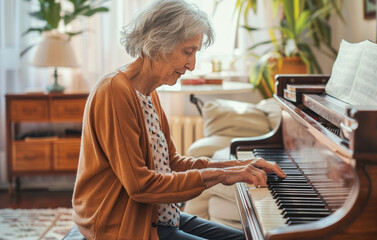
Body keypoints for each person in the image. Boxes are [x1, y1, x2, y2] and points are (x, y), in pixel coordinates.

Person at [71, 0, 286, 239]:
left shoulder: (148, 92)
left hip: (157, 215)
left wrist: (236, 168)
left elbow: (171, 163)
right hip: (122, 223)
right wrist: (220, 176)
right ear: (159, 43)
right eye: (187, 52)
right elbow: (140, 186)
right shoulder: (114, 91)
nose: (192, 65)